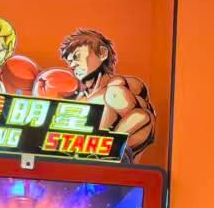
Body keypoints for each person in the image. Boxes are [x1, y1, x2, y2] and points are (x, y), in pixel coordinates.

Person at [47, 28, 157, 161]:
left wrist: (109, 148)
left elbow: (143, 119)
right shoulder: (79, 99)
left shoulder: (115, 88)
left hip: (110, 167)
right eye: (69, 61)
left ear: (102, 53)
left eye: (77, 56)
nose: (72, 65)